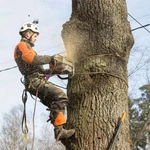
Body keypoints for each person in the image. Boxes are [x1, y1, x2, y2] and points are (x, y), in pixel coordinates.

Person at [14, 22, 75, 141]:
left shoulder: (29, 49)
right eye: (35, 36)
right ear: (28, 34)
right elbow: (33, 59)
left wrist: (56, 70)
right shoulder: (21, 46)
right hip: (34, 81)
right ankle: (59, 131)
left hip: (36, 80)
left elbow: (42, 71)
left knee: (55, 102)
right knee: (60, 96)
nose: (35, 39)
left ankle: (60, 126)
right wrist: (52, 58)